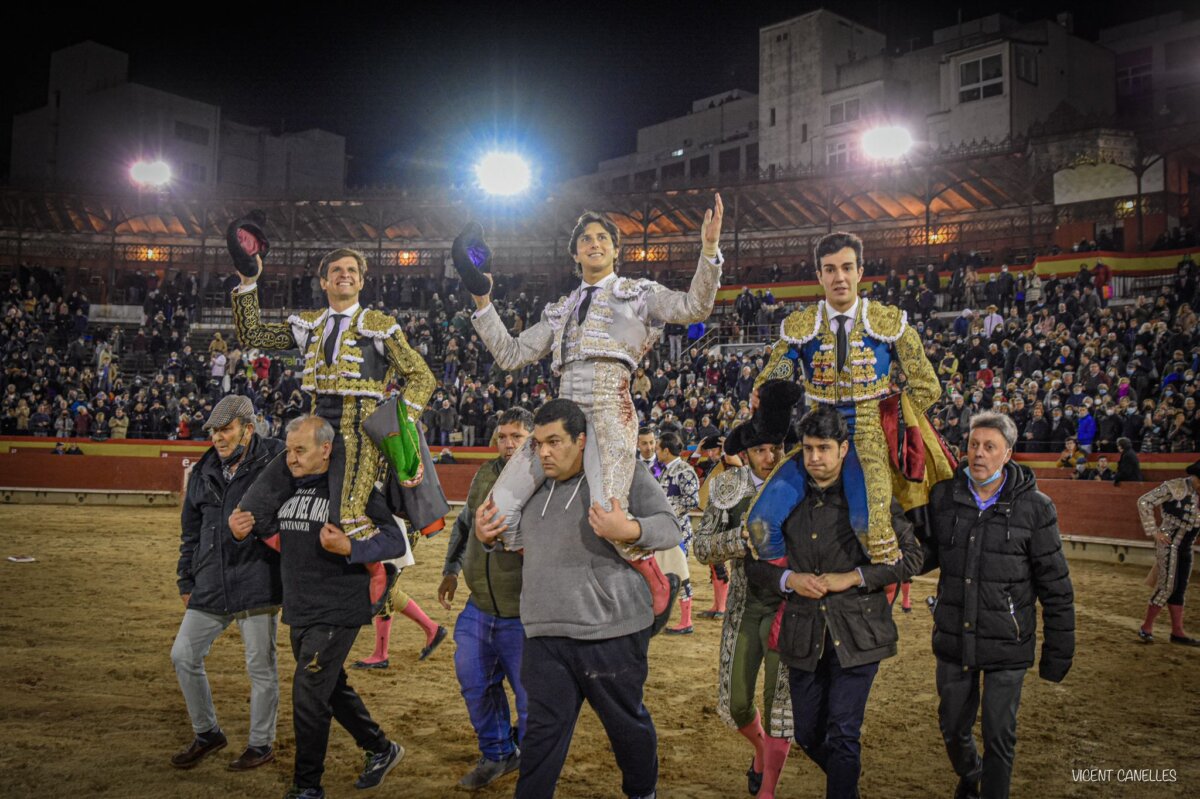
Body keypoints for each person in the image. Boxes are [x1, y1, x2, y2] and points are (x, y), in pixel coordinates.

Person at [454, 201, 723, 622]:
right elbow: (511, 354)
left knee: (607, 517)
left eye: (602, 238)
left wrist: (708, 252)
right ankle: (559, 568)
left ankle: (657, 582)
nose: (594, 244)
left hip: (610, 410)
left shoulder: (638, 294)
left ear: (616, 251)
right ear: (575, 253)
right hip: (559, 414)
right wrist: (483, 298)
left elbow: (694, 308)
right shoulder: (560, 310)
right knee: (496, 517)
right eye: (585, 239)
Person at [473, 399, 682, 799]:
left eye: (555, 441)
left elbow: (670, 527)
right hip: (545, 631)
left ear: (581, 440)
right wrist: (487, 539)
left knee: (627, 726)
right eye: (538, 443)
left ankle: (642, 793)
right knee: (541, 735)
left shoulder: (622, 473)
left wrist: (631, 527)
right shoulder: (531, 486)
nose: (545, 452)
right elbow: (513, 541)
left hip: (611, 631)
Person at [228, 231, 441, 603]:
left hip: (359, 433)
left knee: (350, 515)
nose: (345, 275)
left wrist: (399, 423)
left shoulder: (378, 326)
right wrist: (248, 282)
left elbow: (422, 376)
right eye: (337, 270)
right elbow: (252, 334)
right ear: (324, 280)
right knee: (253, 505)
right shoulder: (308, 325)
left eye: (352, 271)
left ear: (361, 280)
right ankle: (301, 561)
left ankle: (381, 571)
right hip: (311, 429)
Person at [744, 405, 922, 799]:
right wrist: (789, 579)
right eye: (808, 449)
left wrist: (853, 576)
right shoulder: (786, 499)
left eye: (824, 448)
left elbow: (911, 558)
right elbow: (753, 567)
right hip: (804, 635)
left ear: (844, 449)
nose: (815, 458)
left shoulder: (872, 498)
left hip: (858, 633)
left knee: (843, 732)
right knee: (807, 731)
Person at [750, 231, 951, 567]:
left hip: (868, 437)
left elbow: (927, 386)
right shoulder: (801, 326)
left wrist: (894, 421)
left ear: (860, 271)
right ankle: (790, 591)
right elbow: (771, 380)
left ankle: (869, 605)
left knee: (871, 528)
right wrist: (766, 394)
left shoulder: (888, 323)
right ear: (819, 275)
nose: (839, 277)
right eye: (830, 269)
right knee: (759, 523)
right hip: (816, 436)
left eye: (846, 268)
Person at [231, 416, 407, 799]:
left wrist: (352, 548)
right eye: (289, 451)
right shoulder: (284, 488)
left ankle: (307, 787)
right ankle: (380, 748)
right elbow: (263, 527)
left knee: (308, 694)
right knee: (329, 686)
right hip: (300, 605)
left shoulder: (350, 491)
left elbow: (395, 540)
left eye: (300, 450)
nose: (291, 459)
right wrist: (242, 526)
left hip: (339, 606)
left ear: (325, 449)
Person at [920, 412, 1075, 799]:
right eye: (973, 445)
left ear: (1008, 453)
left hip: (1008, 641)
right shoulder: (943, 497)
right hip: (955, 636)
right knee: (953, 728)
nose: (978, 454)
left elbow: (1055, 587)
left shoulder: (1036, 508)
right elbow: (923, 555)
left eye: (989, 447)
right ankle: (972, 774)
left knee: (998, 736)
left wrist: (1058, 653)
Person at [693, 380, 803, 799]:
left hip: (790, 610)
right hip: (744, 606)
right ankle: (760, 751)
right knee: (738, 704)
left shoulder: (801, 486)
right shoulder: (727, 488)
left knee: (781, 711)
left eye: (777, 448)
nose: (770, 457)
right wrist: (740, 540)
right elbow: (701, 547)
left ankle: (767, 789)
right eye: (761, 449)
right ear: (748, 451)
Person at [170, 395, 284, 771]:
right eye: (214, 431)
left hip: (257, 577)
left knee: (260, 668)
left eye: (226, 429)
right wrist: (186, 578)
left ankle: (261, 743)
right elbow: (190, 532)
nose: (218, 437)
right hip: (211, 580)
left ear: (248, 429)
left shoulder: (278, 460)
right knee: (183, 655)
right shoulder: (204, 469)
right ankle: (208, 732)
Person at [438, 408, 534, 789]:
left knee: (531, 701)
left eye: (517, 436)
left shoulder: (543, 480)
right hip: (479, 606)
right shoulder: (484, 474)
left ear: (532, 438)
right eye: (502, 436)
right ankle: (497, 754)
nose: (508, 444)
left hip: (525, 613)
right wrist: (450, 570)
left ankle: (532, 760)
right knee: (475, 683)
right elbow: (463, 526)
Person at [1136, 460, 1200, 646]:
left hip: (1186, 547)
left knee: (1179, 588)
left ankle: (1177, 632)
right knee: (1166, 587)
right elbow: (1144, 501)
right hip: (1169, 543)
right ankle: (1146, 628)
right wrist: (1154, 531)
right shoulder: (1175, 486)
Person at [655, 431, 700, 635]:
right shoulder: (667, 470)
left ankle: (686, 620)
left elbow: (693, 501)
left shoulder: (684, 470)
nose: (656, 451)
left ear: (666, 450)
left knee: (682, 575)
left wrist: (667, 510)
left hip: (679, 531)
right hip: (666, 529)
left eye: (657, 448)